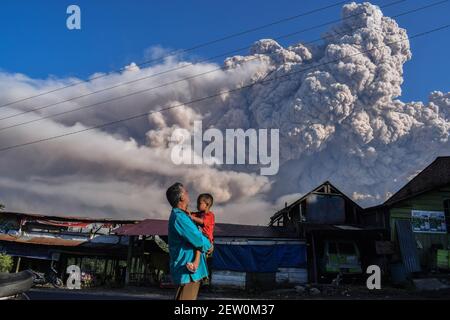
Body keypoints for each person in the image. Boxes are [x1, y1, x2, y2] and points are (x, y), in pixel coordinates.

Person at [166, 182, 213, 300]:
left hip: (189, 272)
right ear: (182, 197)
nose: (188, 194)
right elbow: (199, 241)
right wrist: (209, 245)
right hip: (187, 271)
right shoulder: (180, 218)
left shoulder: (183, 216)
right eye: (186, 192)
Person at [186, 193, 215, 273]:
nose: (197, 205)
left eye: (199, 203)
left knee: (198, 246)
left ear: (207, 205)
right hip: (202, 236)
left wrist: (191, 217)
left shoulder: (210, 215)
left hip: (206, 237)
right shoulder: (200, 214)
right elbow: (191, 213)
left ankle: (195, 264)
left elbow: (202, 222)